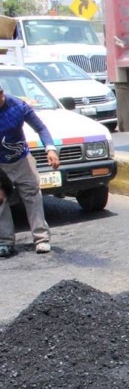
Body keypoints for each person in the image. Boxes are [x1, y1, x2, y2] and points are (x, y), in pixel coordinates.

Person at [0, 82, 60, 258]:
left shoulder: (18, 106)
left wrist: (50, 148)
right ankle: (4, 242)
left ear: (1, 93)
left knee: (32, 195)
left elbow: (40, 128)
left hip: (21, 160)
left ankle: (41, 239)